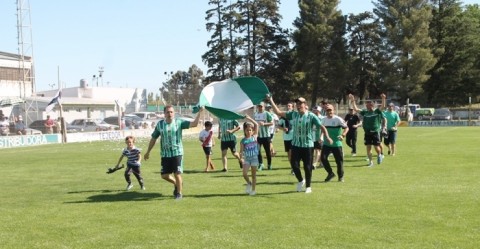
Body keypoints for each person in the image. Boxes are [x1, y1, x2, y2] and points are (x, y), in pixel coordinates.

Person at [267, 95, 331, 193]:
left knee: (307, 167)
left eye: (301, 103)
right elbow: (278, 112)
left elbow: (321, 126)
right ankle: (301, 180)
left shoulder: (311, 116)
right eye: (297, 103)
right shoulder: (293, 114)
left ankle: (308, 187)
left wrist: (326, 136)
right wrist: (271, 100)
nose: (299, 105)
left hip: (308, 146)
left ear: (306, 105)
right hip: (296, 145)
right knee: (294, 165)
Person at [144, 105, 203, 200]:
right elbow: (153, 138)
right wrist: (148, 152)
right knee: (164, 175)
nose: (169, 114)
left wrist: (200, 112)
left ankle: (179, 194)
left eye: (171, 112)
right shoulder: (160, 125)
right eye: (167, 112)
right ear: (164, 114)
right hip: (165, 154)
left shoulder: (179, 122)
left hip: (177, 153)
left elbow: (194, 124)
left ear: (174, 113)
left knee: (177, 173)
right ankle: (176, 183)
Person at [348, 94, 386, 167]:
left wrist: (383, 98)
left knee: (376, 147)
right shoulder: (365, 112)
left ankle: (379, 155)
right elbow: (356, 109)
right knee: (368, 147)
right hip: (367, 133)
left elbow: (383, 107)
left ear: (372, 105)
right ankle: (370, 162)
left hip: (375, 132)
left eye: (368, 105)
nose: (367, 106)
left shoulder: (377, 111)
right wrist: (352, 100)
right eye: (366, 105)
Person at [320, 104, 349, 182]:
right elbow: (323, 129)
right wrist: (321, 137)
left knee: (339, 161)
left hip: (337, 144)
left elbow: (346, 128)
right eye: (327, 110)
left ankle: (341, 176)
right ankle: (330, 173)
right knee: (323, 158)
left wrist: (343, 135)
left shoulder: (338, 119)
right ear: (325, 111)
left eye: (330, 110)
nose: (329, 112)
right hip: (327, 143)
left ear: (333, 110)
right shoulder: (323, 120)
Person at [239, 115, 259, 196]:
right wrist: (241, 158)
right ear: (244, 131)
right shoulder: (243, 141)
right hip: (247, 159)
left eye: (250, 130)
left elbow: (257, 125)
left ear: (252, 131)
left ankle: (253, 190)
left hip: (254, 158)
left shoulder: (254, 137)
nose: (249, 132)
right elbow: (241, 151)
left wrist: (250, 118)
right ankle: (249, 183)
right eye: (247, 130)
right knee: (244, 173)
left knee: (253, 175)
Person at [254, 102, 274, 170]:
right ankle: (261, 164)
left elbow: (272, 123)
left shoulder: (267, 113)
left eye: (261, 106)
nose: (260, 108)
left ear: (264, 107)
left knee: (267, 151)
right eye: (259, 106)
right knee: (257, 150)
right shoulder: (255, 114)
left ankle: (269, 164)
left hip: (266, 136)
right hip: (258, 136)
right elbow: (254, 124)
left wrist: (264, 124)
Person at [277, 102, 294, 167]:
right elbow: (278, 125)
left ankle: (294, 167)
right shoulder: (283, 117)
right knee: (289, 154)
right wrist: (283, 128)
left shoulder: (294, 116)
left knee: (292, 153)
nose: (288, 107)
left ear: (292, 107)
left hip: (293, 137)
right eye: (287, 106)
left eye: (290, 106)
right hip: (286, 137)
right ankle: (292, 167)